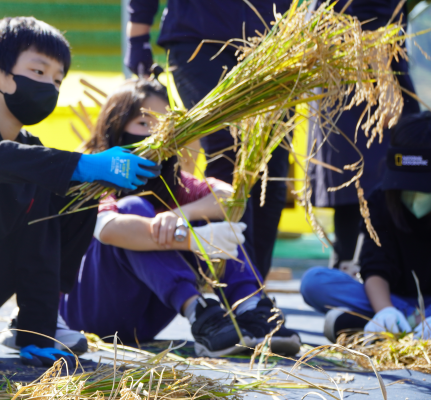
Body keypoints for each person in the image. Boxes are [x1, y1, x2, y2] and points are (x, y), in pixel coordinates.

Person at [0, 16, 160, 369]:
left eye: (57, 80)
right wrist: (82, 163)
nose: (50, 88)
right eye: (39, 73)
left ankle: (34, 324)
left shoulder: (30, 148)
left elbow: (41, 215)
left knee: (73, 194)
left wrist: (37, 329)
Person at [60, 79, 301, 356]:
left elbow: (231, 198)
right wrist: (194, 239)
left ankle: (252, 311)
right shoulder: (96, 177)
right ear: (116, 127)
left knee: (214, 217)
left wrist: (179, 214)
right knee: (134, 209)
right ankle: (200, 313)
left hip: (143, 321)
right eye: (143, 123)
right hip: (88, 313)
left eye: (162, 125)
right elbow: (108, 230)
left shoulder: (174, 184)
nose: (154, 134)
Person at [124, 0, 293, 279]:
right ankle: (235, 284)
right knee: (229, 148)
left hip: (275, 40)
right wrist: (138, 34)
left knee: (271, 165)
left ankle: (254, 293)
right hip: (199, 36)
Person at [308, 0, 420, 270]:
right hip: (362, 96)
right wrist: (392, 93)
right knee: (367, 195)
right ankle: (357, 288)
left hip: (364, 91)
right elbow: (373, 36)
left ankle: (359, 281)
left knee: (374, 195)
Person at [301, 112, 431, 342]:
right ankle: (395, 324)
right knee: (315, 282)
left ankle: (366, 326)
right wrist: (385, 311)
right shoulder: (380, 199)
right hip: (392, 299)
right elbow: (375, 265)